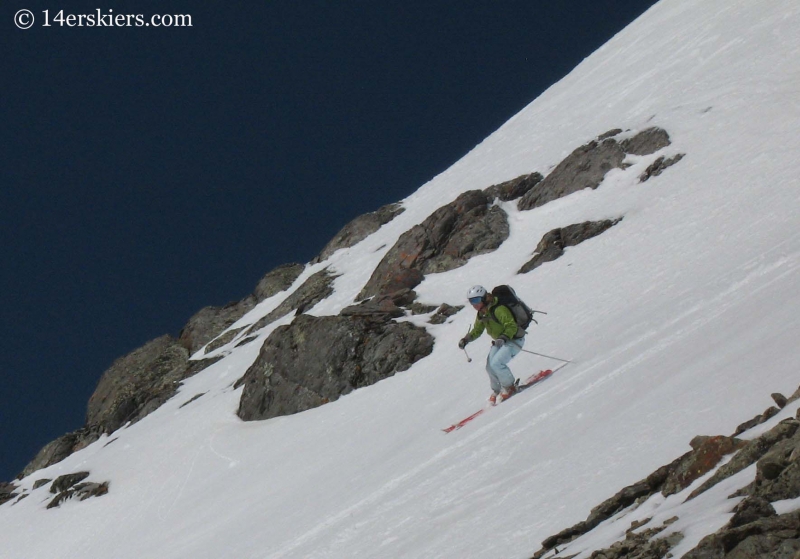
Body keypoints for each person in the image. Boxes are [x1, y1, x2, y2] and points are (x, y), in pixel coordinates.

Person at [458, 285, 526, 404]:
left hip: (514, 339)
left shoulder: (498, 309)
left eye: (476, 300)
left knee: (497, 363)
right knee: (489, 366)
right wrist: (466, 339)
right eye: (471, 301)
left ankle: (510, 387)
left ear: (484, 298)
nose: (474, 304)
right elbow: (477, 330)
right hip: (500, 342)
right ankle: (498, 390)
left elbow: (511, 325)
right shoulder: (482, 313)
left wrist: (504, 337)